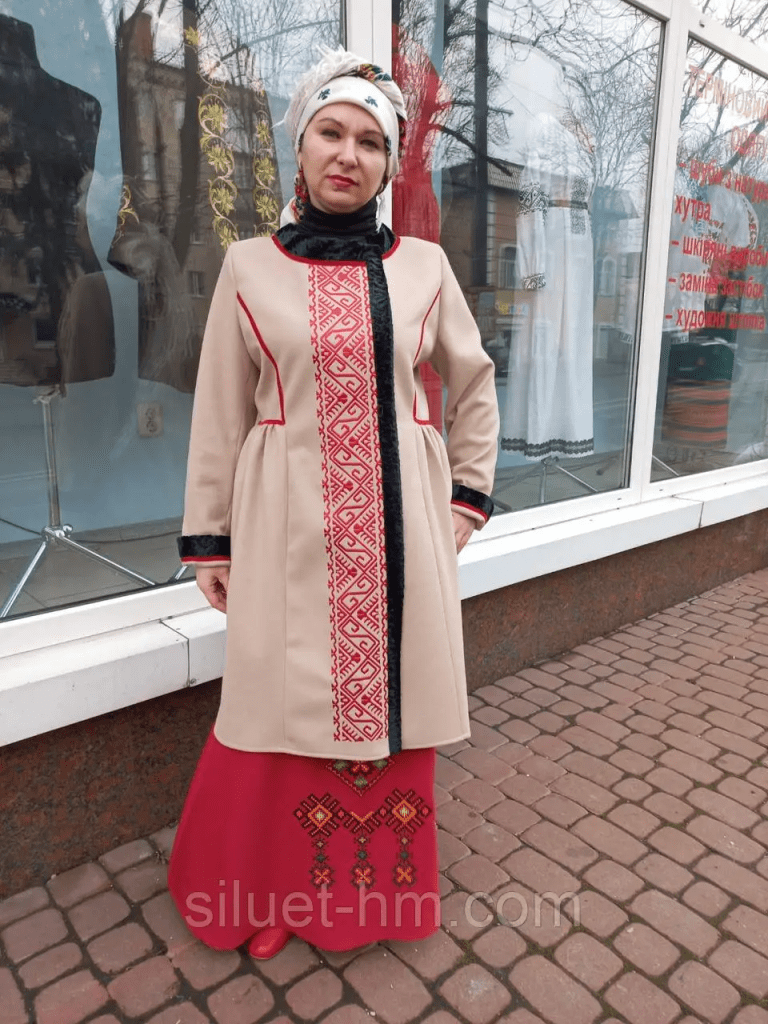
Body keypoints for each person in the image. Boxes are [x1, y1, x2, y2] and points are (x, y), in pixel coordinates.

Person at [167, 47, 499, 960]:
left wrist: (466, 496)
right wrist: (210, 539)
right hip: (283, 526)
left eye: (369, 141)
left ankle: (363, 900)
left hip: (401, 529)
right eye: (330, 133)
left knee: (391, 707)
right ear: (302, 145)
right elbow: (220, 410)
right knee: (276, 709)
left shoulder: (425, 267)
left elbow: (473, 382)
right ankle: (266, 890)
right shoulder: (247, 266)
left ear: (389, 166)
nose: (348, 154)